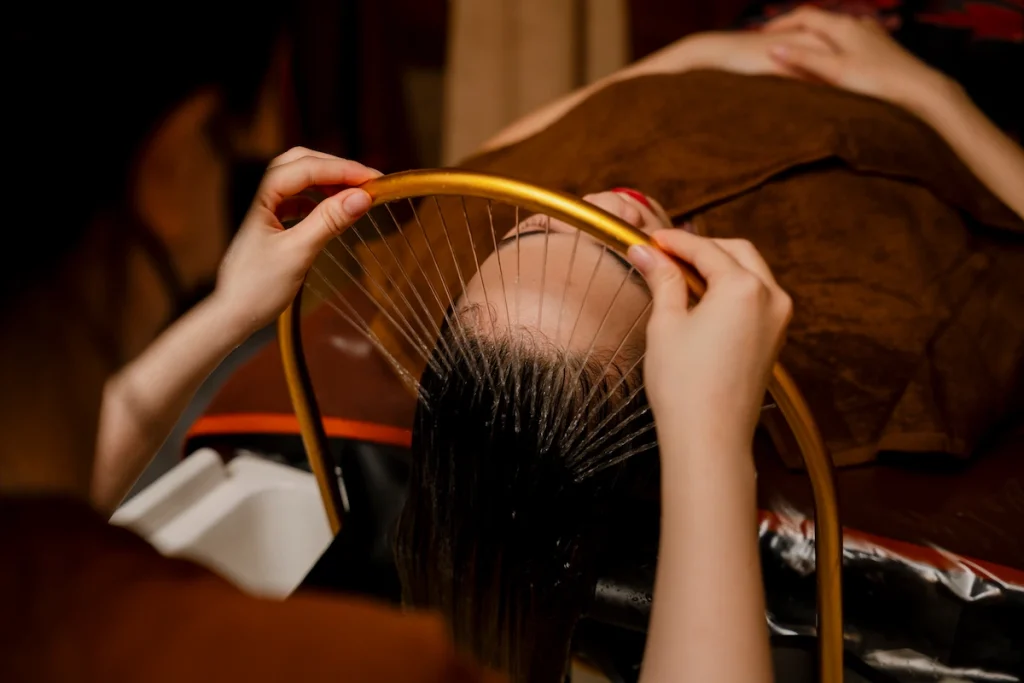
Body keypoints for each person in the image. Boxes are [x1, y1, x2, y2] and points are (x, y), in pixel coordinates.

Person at [0, 8, 798, 683]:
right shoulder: (356, 663)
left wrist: (227, 312)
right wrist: (711, 441)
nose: (600, 209)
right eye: (238, 134)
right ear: (169, 169)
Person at [393, 6, 1024, 683]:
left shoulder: (437, 258)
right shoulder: (902, 342)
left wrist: (696, 53)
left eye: (536, 229)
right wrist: (930, 91)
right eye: (621, 253)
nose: (602, 202)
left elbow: (497, 160)